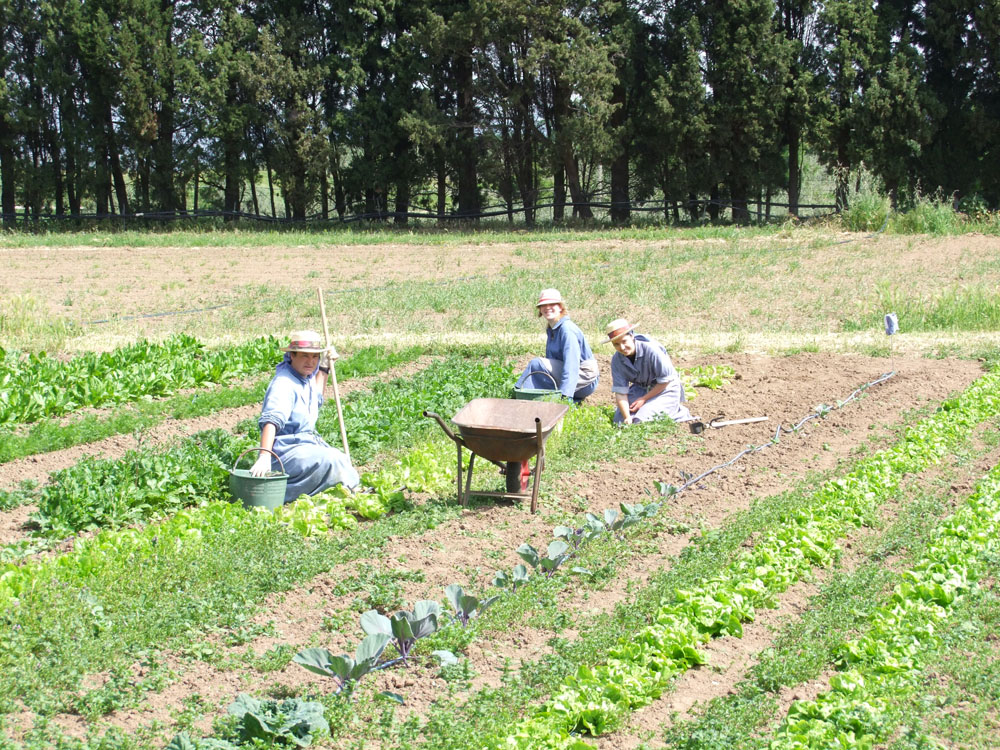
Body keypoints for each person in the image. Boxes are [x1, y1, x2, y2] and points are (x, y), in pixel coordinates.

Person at [249, 330, 359, 502]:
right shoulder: (284, 384)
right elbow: (271, 421)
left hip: (304, 446)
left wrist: (324, 367)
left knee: (339, 459)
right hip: (285, 453)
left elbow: (315, 398)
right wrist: (264, 456)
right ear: (292, 355)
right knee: (332, 459)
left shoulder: (304, 378)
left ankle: (342, 491)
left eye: (315, 357)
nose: (310, 362)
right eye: (305, 356)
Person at [515, 288, 599, 402]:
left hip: (585, 379)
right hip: (575, 379)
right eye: (544, 305)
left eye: (552, 304)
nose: (547, 307)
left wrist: (566, 395)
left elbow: (571, 364)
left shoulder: (567, 330)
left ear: (560, 307)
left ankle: (520, 396)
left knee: (537, 364)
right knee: (541, 369)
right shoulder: (552, 329)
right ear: (540, 309)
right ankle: (532, 398)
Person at [606, 318, 692, 425]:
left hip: (665, 388)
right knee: (619, 420)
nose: (622, 347)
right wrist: (627, 417)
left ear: (632, 336)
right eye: (616, 344)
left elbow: (665, 381)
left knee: (642, 419)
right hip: (640, 389)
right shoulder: (617, 360)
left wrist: (643, 399)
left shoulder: (651, 350)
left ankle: (677, 411)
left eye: (624, 341)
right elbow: (620, 392)